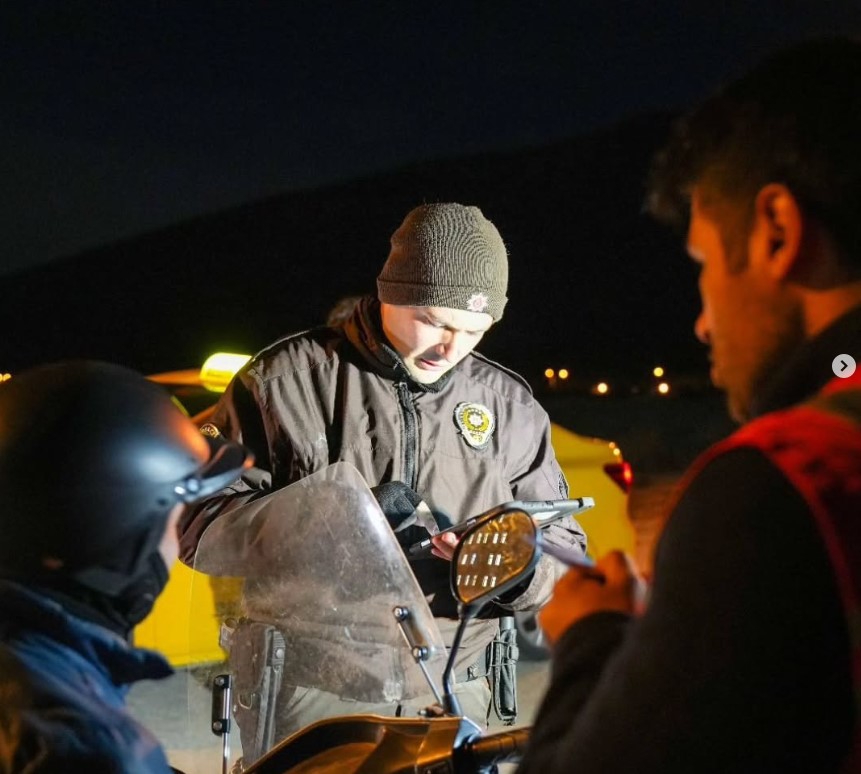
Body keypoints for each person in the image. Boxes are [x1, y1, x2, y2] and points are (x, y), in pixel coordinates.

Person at [518, 37, 861, 774]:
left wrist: (590, 637)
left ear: (776, 231)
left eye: (703, 263)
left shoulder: (778, 484)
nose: (703, 323)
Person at [178, 202, 586, 750]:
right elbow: (198, 520)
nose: (451, 349)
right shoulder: (283, 382)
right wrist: (333, 518)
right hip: (312, 691)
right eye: (435, 322)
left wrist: (514, 564)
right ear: (391, 290)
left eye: (475, 330)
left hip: (460, 687)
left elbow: (563, 545)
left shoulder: (509, 406)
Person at [0, 361, 251, 773]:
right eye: (175, 522)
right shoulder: (87, 745)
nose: (178, 542)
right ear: (121, 539)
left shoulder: (27, 672)